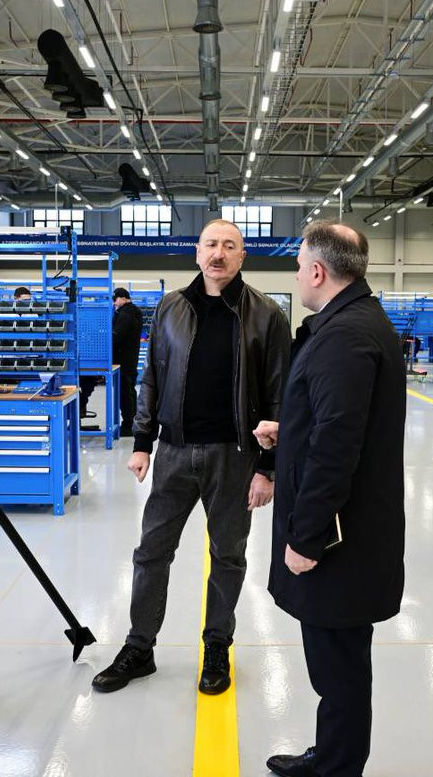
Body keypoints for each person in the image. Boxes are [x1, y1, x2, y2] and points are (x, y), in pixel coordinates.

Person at [91, 219, 291, 696]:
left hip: (235, 456)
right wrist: (143, 441)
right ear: (197, 253)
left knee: (228, 556)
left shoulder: (267, 315)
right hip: (175, 452)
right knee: (151, 552)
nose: (218, 254)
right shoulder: (170, 307)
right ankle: (140, 647)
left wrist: (268, 468)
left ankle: (217, 646)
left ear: (242, 256)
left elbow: (279, 396)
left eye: (229, 246)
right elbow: (152, 378)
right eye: (210, 245)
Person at [259, 222, 405, 777]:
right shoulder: (356, 322)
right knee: (336, 665)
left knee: (338, 668)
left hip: (338, 541)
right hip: (352, 531)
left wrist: (306, 537)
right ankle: (332, 756)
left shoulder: (344, 335)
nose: (297, 274)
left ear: (318, 271)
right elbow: (339, 421)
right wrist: (288, 430)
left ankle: (338, 768)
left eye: (299, 266)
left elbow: (336, 446)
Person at [112, 287, 144, 437]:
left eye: (115, 299)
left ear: (123, 298)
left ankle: (128, 425)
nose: (114, 303)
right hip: (130, 359)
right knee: (130, 391)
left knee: (125, 393)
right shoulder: (134, 312)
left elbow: (116, 337)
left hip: (122, 360)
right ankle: (133, 422)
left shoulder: (125, 314)